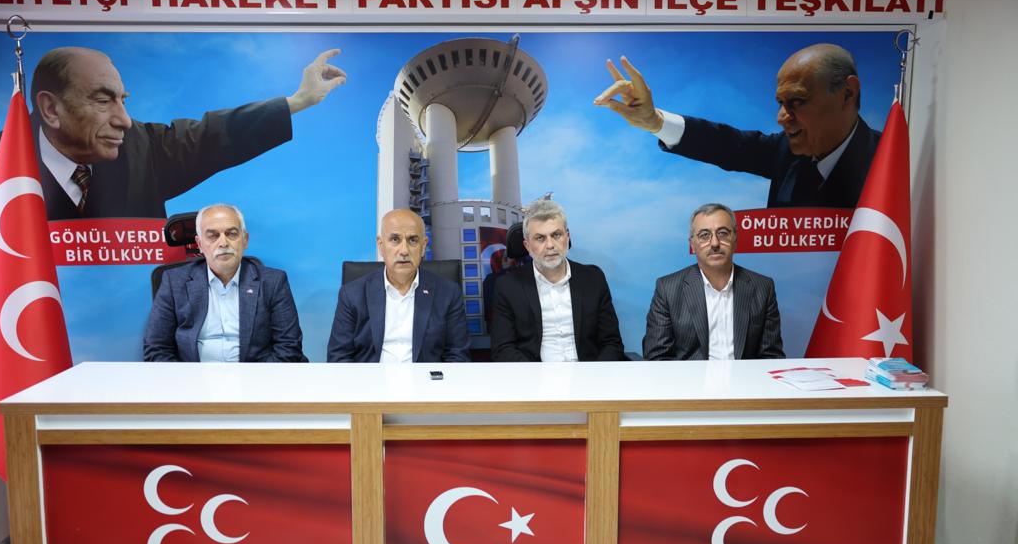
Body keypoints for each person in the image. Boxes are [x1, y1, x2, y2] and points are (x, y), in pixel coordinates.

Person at [30, 46, 347, 220]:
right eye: (103, 101)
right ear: (51, 109)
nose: (124, 121)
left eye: (122, 101)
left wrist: (298, 101)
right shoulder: (8, 166)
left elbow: (213, 135)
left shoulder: (142, 149)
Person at [594, 44, 880, 209]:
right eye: (781, 103)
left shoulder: (890, 163)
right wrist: (655, 122)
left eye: (798, 101)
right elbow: (726, 144)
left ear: (847, 93)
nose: (782, 117)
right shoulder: (786, 152)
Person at [143, 203, 307, 362]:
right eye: (213, 236)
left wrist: (254, 379)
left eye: (232, 234)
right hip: (194, 377)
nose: (223, 243)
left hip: (256, 376)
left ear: (245, 240)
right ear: (199, 244)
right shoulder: (174, 282)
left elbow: (288, 347)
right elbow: (157, 349)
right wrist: (187, 379)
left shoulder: (273, 282)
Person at [642, 203, 784, 361]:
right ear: (692, 245)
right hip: (690, 377)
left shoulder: (763, 287)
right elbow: (657, 358)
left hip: (745, 377)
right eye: (704, 235)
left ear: (735, 239)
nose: (715, 243)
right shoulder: (668, 289)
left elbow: (771, 357)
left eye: (723, 233)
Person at [327, 209, 470, 363]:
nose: (404, 251)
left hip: (425, 378)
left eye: (413, 240)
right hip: (372, 378)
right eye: (395, 239)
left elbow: (457, 356)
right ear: (381, 246)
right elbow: (338, 357)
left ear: (423, 246)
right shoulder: (352, 294)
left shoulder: (448, 293)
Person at [491, 198, 625, 362]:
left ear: (567, 237)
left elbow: (611, 343)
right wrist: (537, 376)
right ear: (527, 246)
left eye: (556, 235)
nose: (550, 245)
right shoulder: (508, 286)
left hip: (589, 373)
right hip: (533, 374)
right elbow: (503, 350)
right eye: (540, 238)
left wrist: (595, 374)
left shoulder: (593, 279)